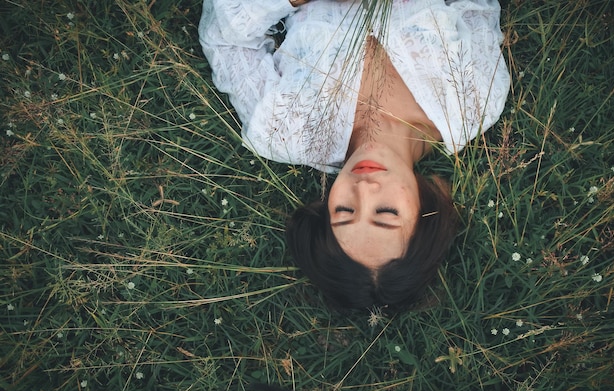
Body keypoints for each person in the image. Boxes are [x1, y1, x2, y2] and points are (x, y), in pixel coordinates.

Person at [199, 0, 509, 310]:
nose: (364, 189)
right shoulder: (475, 103)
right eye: (386, 212)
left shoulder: (283, 131)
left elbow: (224, 38)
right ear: (426, 212)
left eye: (344, 211)